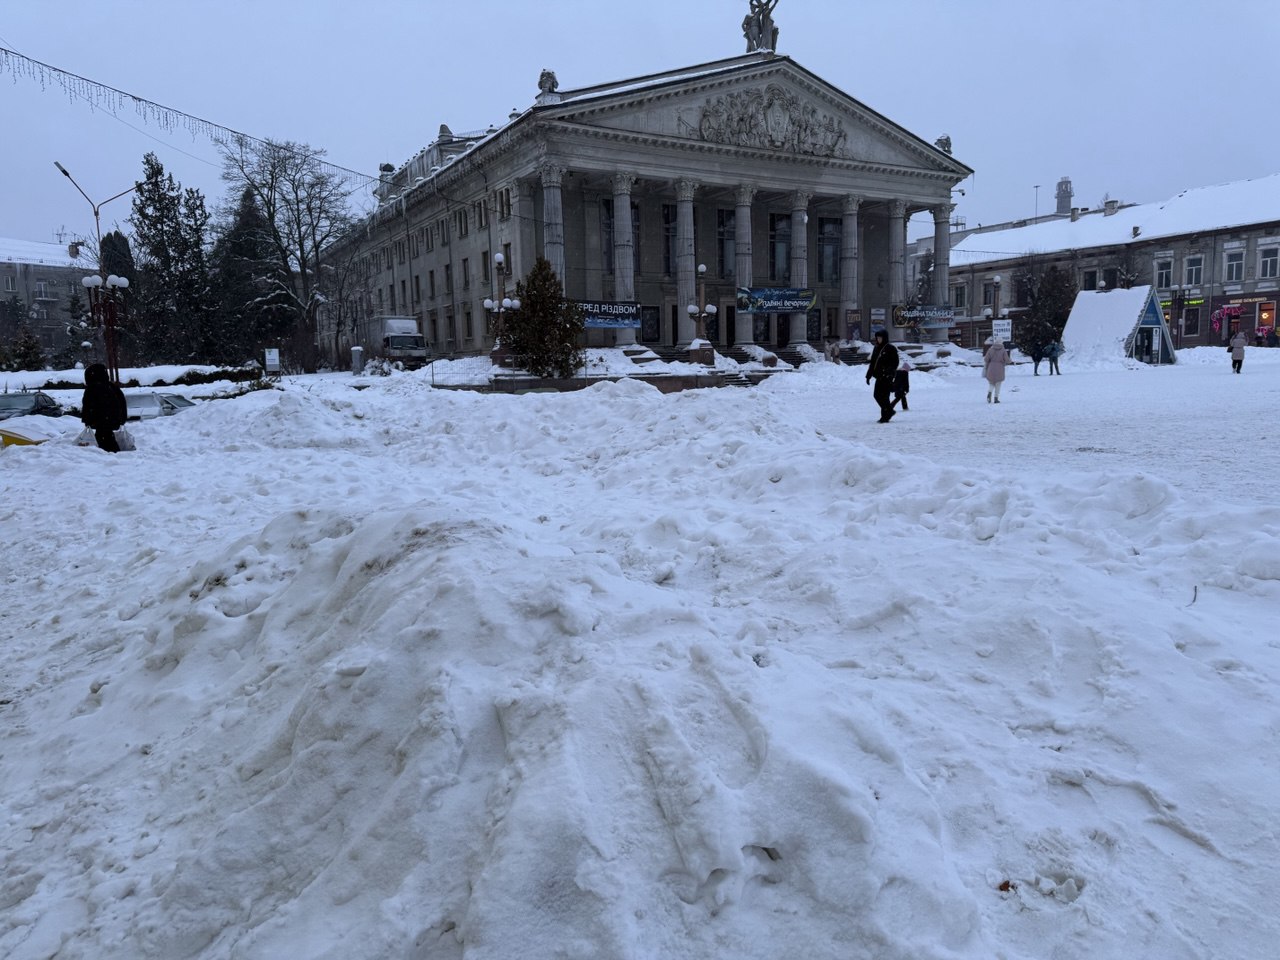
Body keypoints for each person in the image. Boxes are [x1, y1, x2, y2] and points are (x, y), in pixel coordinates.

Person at [80, 362, 127, 452]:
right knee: (108, 437)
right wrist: (121, 418)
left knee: (102, 439)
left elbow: (88, 405)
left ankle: (108, 457)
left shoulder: (92, 389)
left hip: (99, 421)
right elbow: (121, 402)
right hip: (111, 420)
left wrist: (87, 419)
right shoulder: (112, 387)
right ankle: (114, 454)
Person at [865, 329, 900, 423]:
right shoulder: (876, 348)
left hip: (887, 376)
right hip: (878, 376)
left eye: (880, 337)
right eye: (877, 337)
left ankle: (885, 416)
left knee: (884, 396)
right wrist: (868, 376)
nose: (878, 339)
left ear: (885, 338)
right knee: (877, 395)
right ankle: (888, 412)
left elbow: (895, 362)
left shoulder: (890, 348)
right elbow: (873, 363)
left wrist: (889, 372)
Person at [984, 337, 1010, 403]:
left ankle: (989, 392)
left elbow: (986, 359)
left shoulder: (990, 349)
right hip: (1000, 368)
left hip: (991, 367)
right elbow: (1007, 360)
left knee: (991, 383)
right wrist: (1010, 361)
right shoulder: (1003, 350)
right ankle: (996, 398)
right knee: (998, 384)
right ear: (1001, 342)